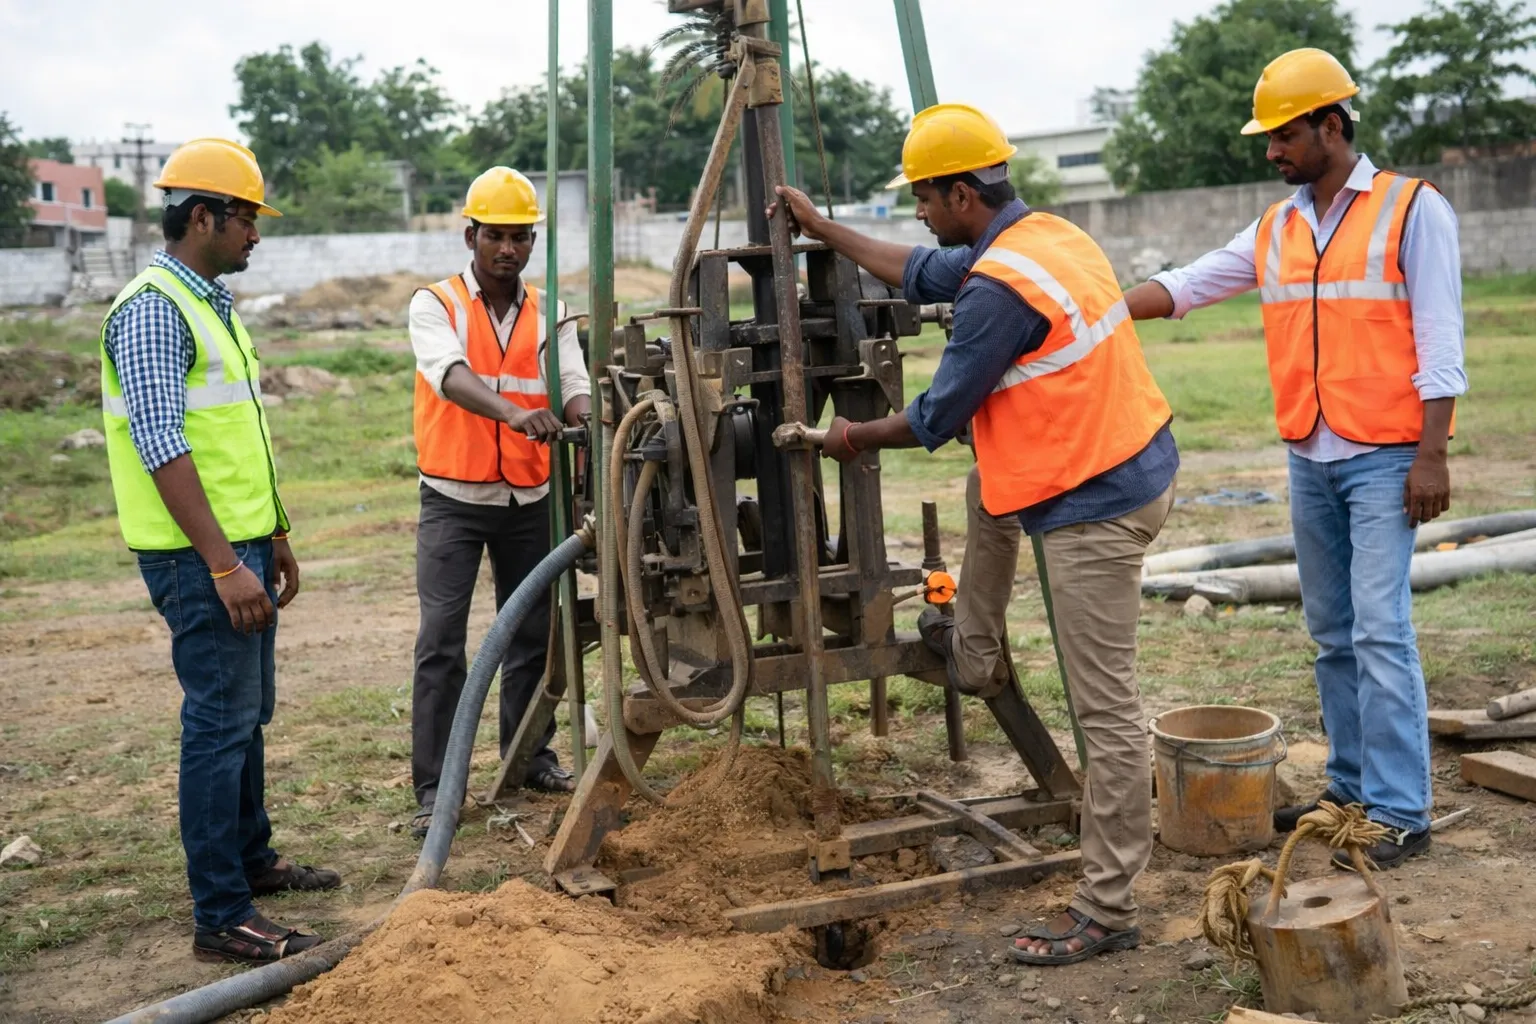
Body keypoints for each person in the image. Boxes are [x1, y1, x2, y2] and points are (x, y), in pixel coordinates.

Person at [770, 103, 1179, 966]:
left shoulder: (999, 290)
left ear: (963, 191)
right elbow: (917, 269)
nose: (918, 208)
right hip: (1120, 458)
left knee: (1102, 705)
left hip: (1094, 502)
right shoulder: (1046, 238)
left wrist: (839, 438)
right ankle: (977, 653)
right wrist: (824, 229)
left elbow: (933, 415)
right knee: (985, 486)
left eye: (924, 194)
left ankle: (1107, 908)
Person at [1123, 48, 1465, 869]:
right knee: (1332, 632)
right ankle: (1348, 789)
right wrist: (1088, 313)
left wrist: (1432, 455)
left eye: (1284, 136)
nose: (1271, 152)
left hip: (1387, 457)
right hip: (1310, 453)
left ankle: (1399, 810)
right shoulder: (1279, 226)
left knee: (1382, 631)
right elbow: (1193, 283)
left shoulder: (1413, 210)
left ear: (1332, 126)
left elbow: (1442, 342)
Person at [100, 138, 340, 965]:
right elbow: (163, 444)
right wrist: (222, 563)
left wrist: (270, 536)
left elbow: (237, 436)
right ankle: (222, 914)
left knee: (247, 717)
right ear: (201, 216)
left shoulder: (211, 303)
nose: (256, 235)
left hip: (236, 543)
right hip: (195, 556)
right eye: (245, 218)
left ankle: (250, 859)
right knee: (218, 723)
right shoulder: (154, 308)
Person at [407, 167, 592, 836]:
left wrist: (592, 413)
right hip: (454, 497)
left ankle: (527, 755)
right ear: (470, 236)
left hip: (529, 496)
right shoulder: (436, 304)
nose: (507, 249)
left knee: (536, 635)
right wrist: (515, 414)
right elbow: (451, 378)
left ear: (532, 242)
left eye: (519, 237)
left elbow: (574, 385)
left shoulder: (553, 313)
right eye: (495, 236)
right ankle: (435, 784)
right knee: (442, 642)